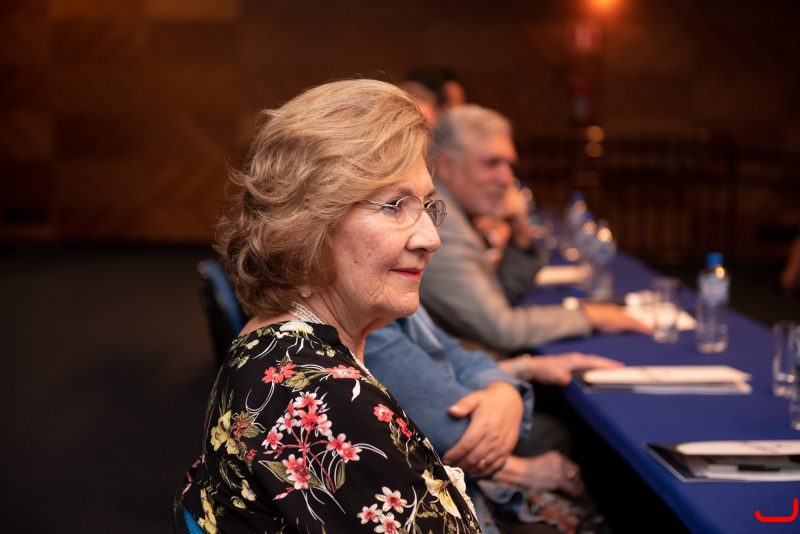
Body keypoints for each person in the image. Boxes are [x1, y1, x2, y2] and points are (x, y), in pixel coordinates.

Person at [179, 79, 492, 533]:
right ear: (310, 224)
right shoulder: (324, 398)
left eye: (427, 204)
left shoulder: (273, 341)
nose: (431, 237)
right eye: (394, 205)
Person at [420, 104, 650, 357]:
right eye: (492, 163)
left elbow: (495, 302)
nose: (506, 178)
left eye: (509, 165)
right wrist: (590, 316)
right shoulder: (441, 225)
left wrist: (521, 233)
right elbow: (502, 329)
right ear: (446, 164)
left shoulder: (453, 212)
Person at [366, 307, 616, 534]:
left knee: (555, 436)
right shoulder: (371, 317)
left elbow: (456, 354)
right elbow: (459, 434)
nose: (428, 257)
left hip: (465, 489)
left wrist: (504, 390)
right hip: (445, 507)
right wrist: (523, 470)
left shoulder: (395, 303)